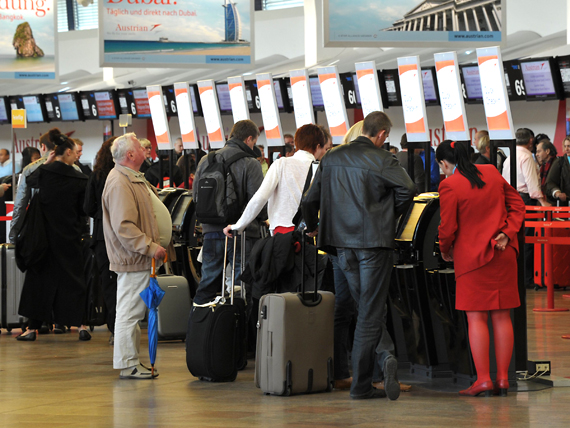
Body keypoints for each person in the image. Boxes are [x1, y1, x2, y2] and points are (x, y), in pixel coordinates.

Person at [303, 111, 415, 400]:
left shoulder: (331, 157)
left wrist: (314, 227)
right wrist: (388, 216)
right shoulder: (383, 159)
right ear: (381, 135)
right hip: (373, 245)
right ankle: (367, 379)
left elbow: (309, 200)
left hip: (341, 247)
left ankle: (371, 374)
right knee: (370, 312)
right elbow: (408, 189)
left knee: (363, 307)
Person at [436, 140, 525, 397]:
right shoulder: (492, 173)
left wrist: (444, 249)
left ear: (444, 162)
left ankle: (484, 379)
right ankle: (503, 379)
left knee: (476, 318)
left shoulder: (449, 185)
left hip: (471, 259)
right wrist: (507, 233)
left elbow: (447, 227)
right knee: (501, 316)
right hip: (502, 254)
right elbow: (518, 206)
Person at [102, 133, 171, 380]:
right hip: (134, 258)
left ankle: (131, 361)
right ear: (130, 155)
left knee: (133, 312)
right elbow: (125, 227)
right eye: (139, 147)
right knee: (129, 313)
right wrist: (151, 247)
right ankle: (127, 364)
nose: (145, 149)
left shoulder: (130, 177)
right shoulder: (120, 182)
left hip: (139, 258)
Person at [16, 131, 91, 342]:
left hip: (44, 239)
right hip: (70, 236)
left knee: (38, 281)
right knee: (75, 281)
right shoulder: (80, 178)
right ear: (67, 152)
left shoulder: (44, 174)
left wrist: (46, 162)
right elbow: (84, 209)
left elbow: (30, 182)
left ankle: (31, 329)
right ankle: (82, 325)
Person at [192, 120, 265, 308]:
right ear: (249, 138)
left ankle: (199, 329)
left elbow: (195, 197)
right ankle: (238, 331)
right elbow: (257, 202)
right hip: (240, 233)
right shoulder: (250, 163)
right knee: (241, 286)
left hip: (210, 231)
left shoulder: (206, 160)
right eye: (254, 142)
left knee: (207, 282)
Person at [223, 124, 330, 238]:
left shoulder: (281, 164)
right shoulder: (320, 169)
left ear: (297, 143)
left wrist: (238, 226)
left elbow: (260, 197)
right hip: (310, 233)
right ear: (318, 146)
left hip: (282, 232)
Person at [503, 128, 549, 288]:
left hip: (509, 200)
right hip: (524, 201)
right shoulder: (527, 157)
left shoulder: (509, 156)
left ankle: (516, 278)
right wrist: (543, 201)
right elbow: (532, 184)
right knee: (527, 241)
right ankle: (527, 279)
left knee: (514, 240)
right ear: (531, 140)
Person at [84, 137, 119, 345]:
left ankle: (114, 328)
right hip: (121, 237)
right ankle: (121, 326)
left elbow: (87, 207)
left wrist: (100, 214)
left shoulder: (96, 176)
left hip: (100, 237)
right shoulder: (124, 176)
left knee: (108, 283)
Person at [10, 129, 58, 244]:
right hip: (67, 229)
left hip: (39, 227)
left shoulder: (30, 169)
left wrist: (13, 235)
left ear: (43, 146)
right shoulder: (74, 169)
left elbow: (20, 205)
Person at [546, 135, 570, 206]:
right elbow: (550, 182)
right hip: (565, 203)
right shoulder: (559, 162)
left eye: (569, 146)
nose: (566, 149)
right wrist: (557, 193)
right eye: (565, 146)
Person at [535, 139, 557, 204]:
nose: (536, 154)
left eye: (539, 151)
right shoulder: (543, 166)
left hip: (553, 202)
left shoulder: (557, 164)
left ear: (547, 151)